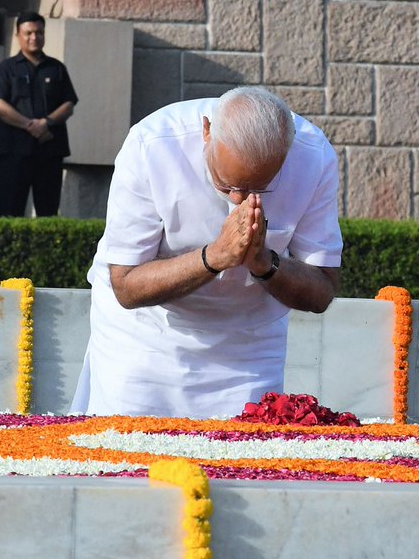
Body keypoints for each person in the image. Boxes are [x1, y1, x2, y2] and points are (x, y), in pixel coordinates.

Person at [71, 86, 342, 418]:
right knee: (128, 463)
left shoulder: (313, 155)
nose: (239, 200)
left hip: (248, 349)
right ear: (207, 132)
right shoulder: (152, 144)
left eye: (259, 188)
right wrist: (213, 258)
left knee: (243, 465)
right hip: (144, 340)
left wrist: (265, 264)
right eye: (226, 185)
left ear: (287, 155)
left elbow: (322, 292)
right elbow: (125, 285)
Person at [0, 12, 77, 216]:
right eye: (28, 33)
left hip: (50, 150)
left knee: (48, 212)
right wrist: (31, 126)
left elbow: (69, 104)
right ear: (18, 35)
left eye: (39, 32)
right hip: (14, 151)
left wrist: (46, 123)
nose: (34, 37)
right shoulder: (6, 69)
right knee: (9, 211)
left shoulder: (56, 68)